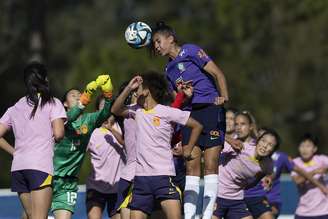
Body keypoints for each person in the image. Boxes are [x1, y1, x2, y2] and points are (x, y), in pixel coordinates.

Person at [151, 21, 229, 219]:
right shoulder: (168, 70)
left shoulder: (191, 50)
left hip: (211, 110)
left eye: (158, 41)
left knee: (211, 164)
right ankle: (189, 215)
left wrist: (224, 96)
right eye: (154, 44)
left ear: (170, 39)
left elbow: (217, 73)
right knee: (191, 165)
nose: (157, 46)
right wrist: (185, 95)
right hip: (189, 116)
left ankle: (208, 214)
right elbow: (177, 100)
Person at [111, 72, 203, 219]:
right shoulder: (137, 111)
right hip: (141, 180)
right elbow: (115, 110)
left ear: (146, 91)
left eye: (138, 88)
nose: (135, 91)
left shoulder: (167, 111)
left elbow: (197, 126)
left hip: (164, 177)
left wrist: (188, 149)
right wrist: (128, 87)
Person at [0, 62, 66, 219]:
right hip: (40, 167)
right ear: (45, 79)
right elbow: (58, 134)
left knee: (29, 215)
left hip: (18, 168)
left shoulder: (15, 107)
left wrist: (15, 152)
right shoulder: (53, 102)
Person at [51, 75, 114, 219]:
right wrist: (85, 98)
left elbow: (105, 113)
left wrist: (108, 95)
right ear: (65, 104)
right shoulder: (59, 119)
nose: (78, 97)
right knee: (31, 215)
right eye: (73, 96)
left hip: (68, 183)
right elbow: (71, 116)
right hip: (48, 177)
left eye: (80, 94)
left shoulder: (88, 120)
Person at [213, 130, 279, 219]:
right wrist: (230, 139)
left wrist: (269, 177)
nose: (265, 146)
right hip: (217, 194)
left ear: (273, 150)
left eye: (270, 145)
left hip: (236, 198)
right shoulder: (242, 147)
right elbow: (214, 133)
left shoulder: (268, 164)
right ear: (258, 141)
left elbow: (269, 173)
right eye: (263, 141)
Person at [86, 111, 125, 219]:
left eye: (108, 110)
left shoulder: (122, 126)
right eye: (102, 109)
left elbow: (129, 144)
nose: (106, 113)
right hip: (95, 187)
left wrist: (111, 129)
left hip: (117, 187)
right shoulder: (92, 131)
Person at [292, 133, 328, 219]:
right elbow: (297, 181)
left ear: (314, 149)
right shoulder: (295, 162)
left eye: (308, 146)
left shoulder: (322, 159)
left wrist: (325, 169)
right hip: (303, 213)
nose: (305, 149)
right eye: (302, 146)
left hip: (324, 212)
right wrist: (314, 171)